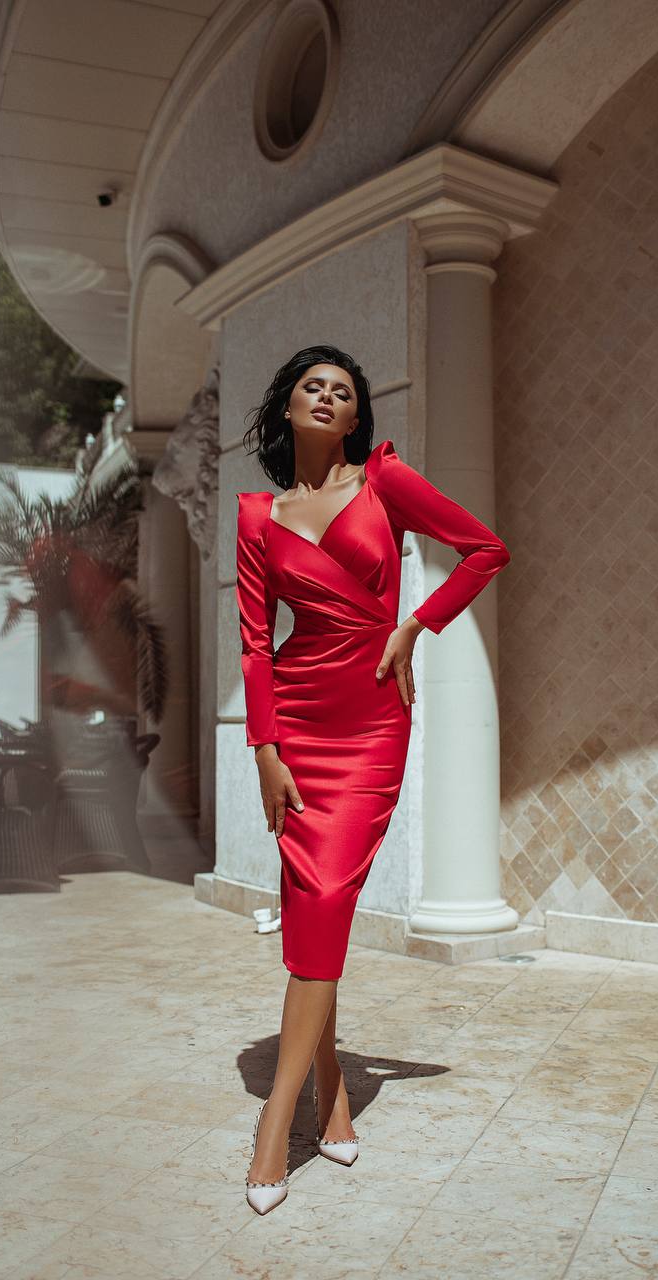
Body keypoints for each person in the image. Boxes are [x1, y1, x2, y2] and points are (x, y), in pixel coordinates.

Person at [236, 344, 511, 1213]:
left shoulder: (385, 483)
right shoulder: (257, 516)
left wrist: (414, 625)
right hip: (296, 721)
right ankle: (330, 1095)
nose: (326, 397)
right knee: (313, 908)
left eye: (342, 391)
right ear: (287, 407)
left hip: (368, 724)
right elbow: (254, 644)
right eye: (311, 386)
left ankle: (274, 1123)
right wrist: (265, 750)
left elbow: (484, 549)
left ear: (357, 417)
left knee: (326, 896)